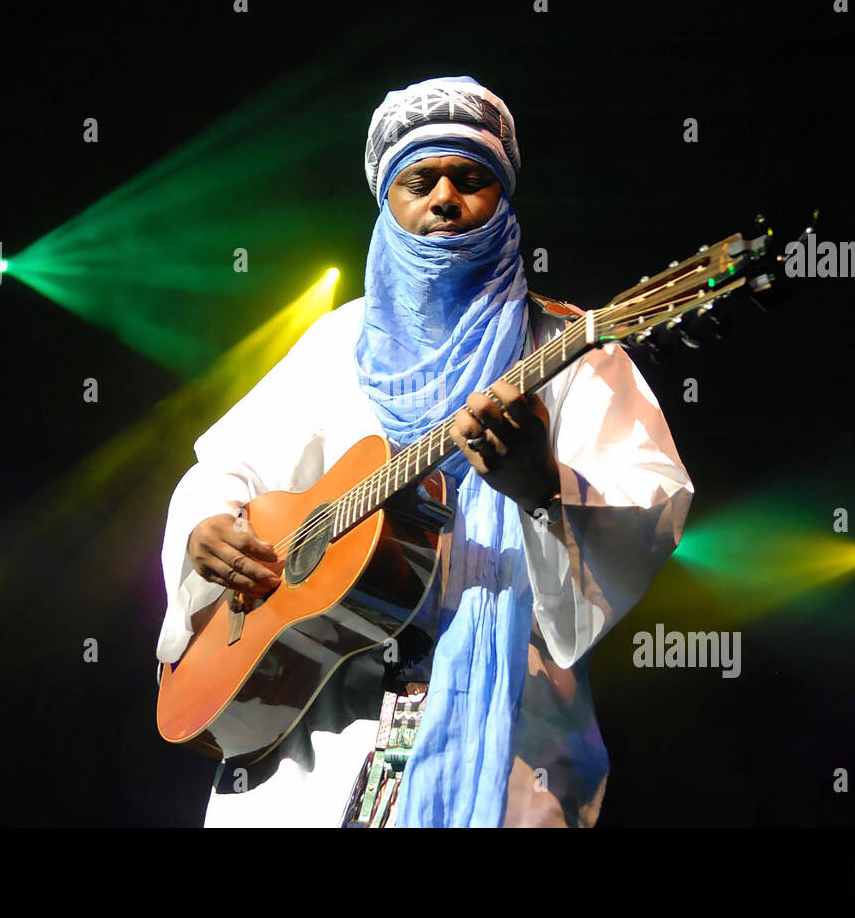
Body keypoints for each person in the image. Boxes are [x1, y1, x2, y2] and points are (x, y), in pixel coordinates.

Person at [156, 76, 693, 827]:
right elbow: (224, 470)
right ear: (389, 202)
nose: (445, 197)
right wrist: (206, 528)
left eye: (471, 180)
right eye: (421, 180)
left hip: (503, 728)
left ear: (502, 199)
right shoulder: (335, 343)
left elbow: (647, 500)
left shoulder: (573, 348)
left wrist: (540, 487)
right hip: (314, 730)